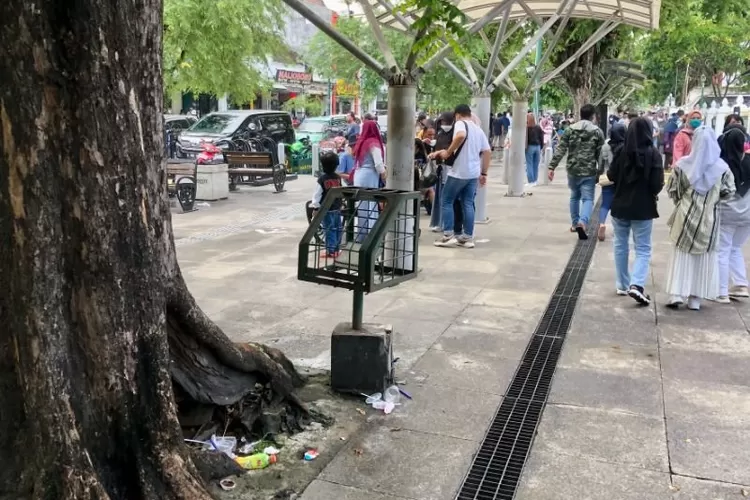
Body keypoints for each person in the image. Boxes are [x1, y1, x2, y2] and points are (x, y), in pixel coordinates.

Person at [664, 126, 735, 310]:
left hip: (685, 217)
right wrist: (712, 200)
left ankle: (676, 294)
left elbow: (674, 190)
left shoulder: (682, 165)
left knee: (681, 255)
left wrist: (685, 201)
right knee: (702, 259)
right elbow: (728, 191)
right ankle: (695, 299)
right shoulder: (722, 169)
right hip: (709, 221)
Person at [606, 118, 665, 304]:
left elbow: (611, 175)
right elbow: (657, 183)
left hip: (620, 206)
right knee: (643, 248)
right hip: (643, 207)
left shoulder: (621, 152)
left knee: (620, 245)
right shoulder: (654, 154)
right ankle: (637, 285)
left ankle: (623, 284)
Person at [431, 104, 491, 248]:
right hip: (473, 173)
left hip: (459, 171)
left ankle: (448, 234)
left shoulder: (460, 123)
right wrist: (484, 173)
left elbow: (461, 135)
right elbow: (487, 151)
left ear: (457, 115)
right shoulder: (478, 129)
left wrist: (448, 151)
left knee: (446, 200)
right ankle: (467, 237)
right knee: (468, 203)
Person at [548, 104, 605, 240]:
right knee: (588, 199)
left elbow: (561, 149)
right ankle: (583, 222)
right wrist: (600, 172)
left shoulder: (570, 130)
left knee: (574, 196)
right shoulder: (597, 132)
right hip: (589, 170)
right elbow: (600, 155)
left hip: (573, 169)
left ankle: (574, 224)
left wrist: (552, 167)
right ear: (593, 116)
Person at [716, 126, 750, 302]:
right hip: (747, 216)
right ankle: (740, 284)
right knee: (735, 248)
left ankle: (721, 291)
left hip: (726, 214)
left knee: (722, 250)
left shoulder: (721, 164)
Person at [429, 112, 465, 234]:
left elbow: (449, 149)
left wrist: (438, 153)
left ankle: (447, 224)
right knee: (441, 196)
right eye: (442, 122)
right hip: (441, 168)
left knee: (447, 198)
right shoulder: (440, 133)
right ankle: (440, 222)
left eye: (446, 122)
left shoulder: (454, 134)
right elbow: (440, 144)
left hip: (450, 168)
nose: (444, 124)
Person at [352, 120, 387, 242]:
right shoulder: (373, 143)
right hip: (369, 176)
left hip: (359, 175)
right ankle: (370, 236)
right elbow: (378, 163)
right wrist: (384, 176)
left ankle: (361, 235)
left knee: (362, 207)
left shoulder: (362, 142)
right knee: (371, 206)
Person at [311, 151, 344, 258]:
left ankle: (331, 251)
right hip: (337, 208)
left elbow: (317, 195)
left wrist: (316, 207)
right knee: (338, 228)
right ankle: (337, 249)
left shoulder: (322, 179)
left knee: (329, 230)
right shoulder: (338, 178)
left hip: (326, 209)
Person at [597, 121, 626, 241]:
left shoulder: (604, 146)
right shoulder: (626, 146)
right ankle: (617, 228)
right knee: (619, 204)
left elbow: (600, 164)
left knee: (605, 204)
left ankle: (602, 223)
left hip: (608, 178)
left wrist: (599, 174)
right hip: (622, 180)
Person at [525, 113, 544, 185]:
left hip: (530, 146)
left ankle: (531, 181)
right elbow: (541, 137)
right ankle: (535, 180)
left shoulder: (526, 128)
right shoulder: (538, 127)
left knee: (529, 164)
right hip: (538, 146)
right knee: (536, 164)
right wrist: (541, 146)